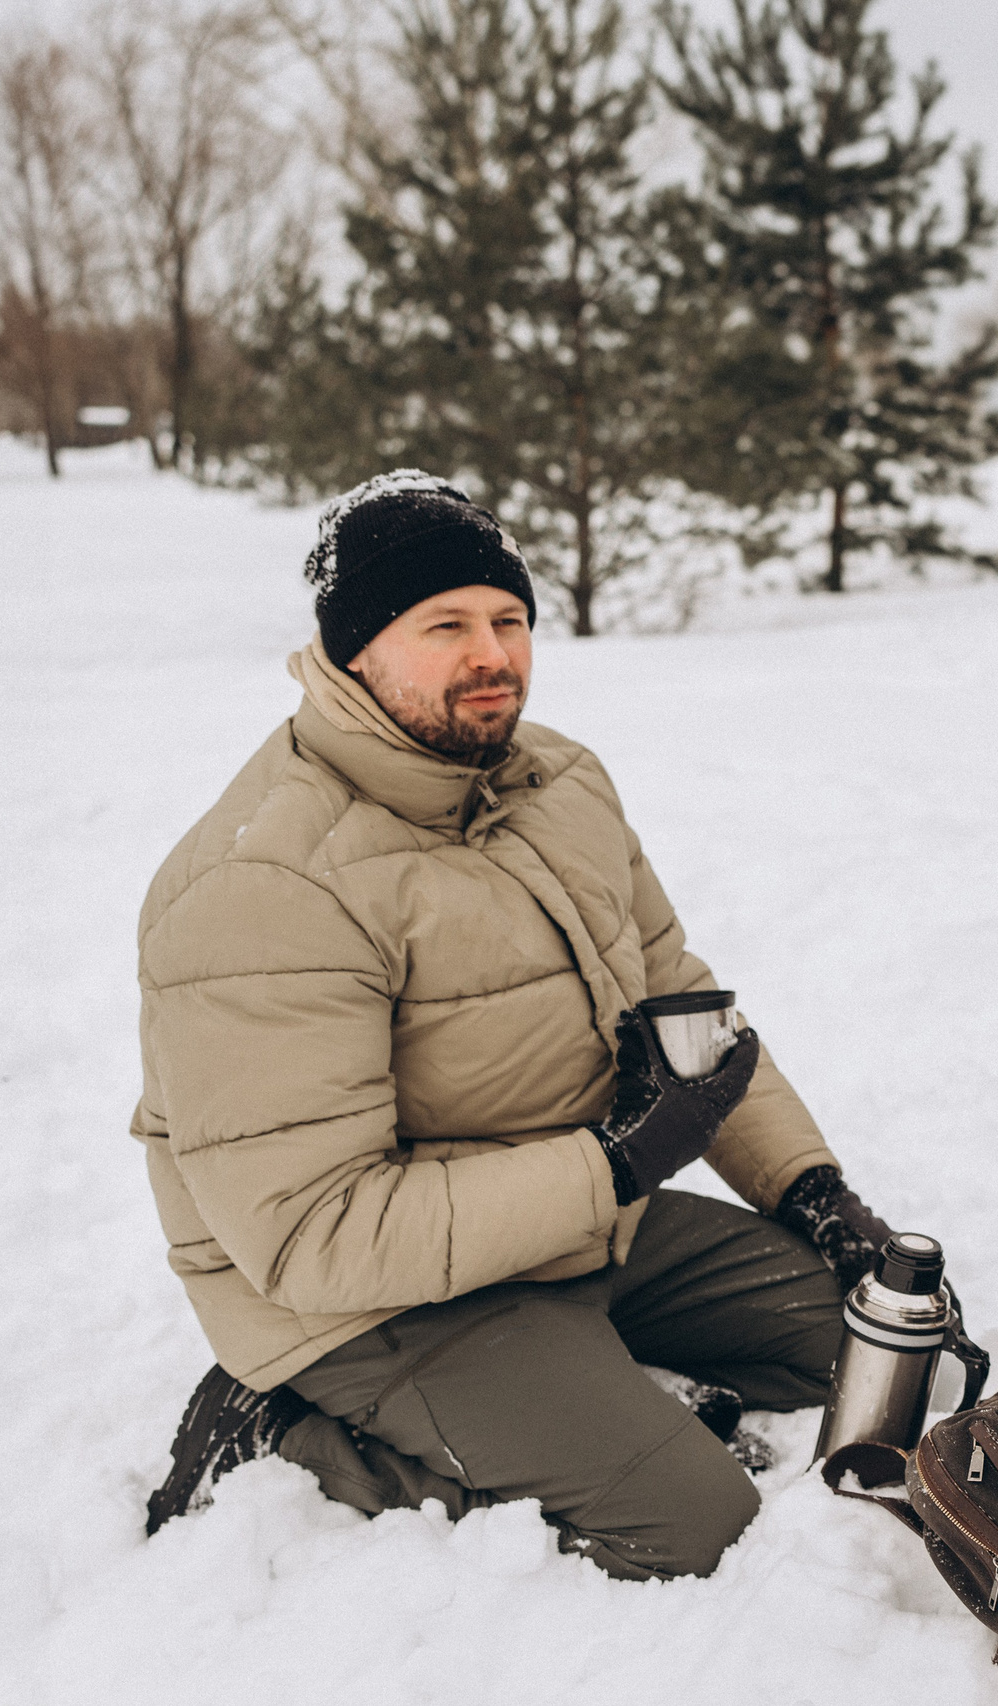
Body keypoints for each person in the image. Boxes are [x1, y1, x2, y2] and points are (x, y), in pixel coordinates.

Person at [134, 471, 902, 1579]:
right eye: (442, 625)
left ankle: (586, 1383)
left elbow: (682, 995)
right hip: (364, 1300)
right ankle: (288, 1435)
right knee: (691, 1522)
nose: (490, 654)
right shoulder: (267, 885)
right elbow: (313, 1235)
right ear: (354, 649)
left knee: (884, 1355)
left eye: (507, 620)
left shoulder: (558, 782)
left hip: (573, 1227)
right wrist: (618, 1159)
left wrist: (817, 1194)